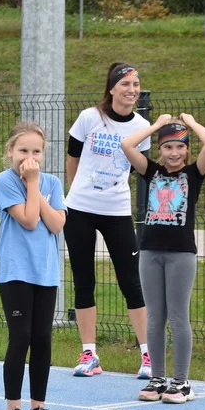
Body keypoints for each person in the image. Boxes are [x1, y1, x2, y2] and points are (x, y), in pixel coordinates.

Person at [121, 114, 205, 403]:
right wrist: (154, 126)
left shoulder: (193, 175)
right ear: (159, 150)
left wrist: (191, 122)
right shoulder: (150, 172)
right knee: (154, 317)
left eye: (180, 147)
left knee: (178, 317)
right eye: (167, 147)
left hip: (181, 254)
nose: (174, 153)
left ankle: (182, 382)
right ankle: (157, 379)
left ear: (187, 150)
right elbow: (127, 144)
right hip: (150, 252)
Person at [65, 62, 152, 378]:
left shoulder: (142, 127)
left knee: (131, 281)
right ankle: (89, 354)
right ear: (112, 88)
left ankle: (147, 356)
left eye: (136, 85)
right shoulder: (90, 118)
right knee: (84, 280)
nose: (131, 90)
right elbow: (72, 158)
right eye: (126, 84)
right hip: (80, 211)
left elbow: (140, 169)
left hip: (117, 212)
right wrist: (74, 195)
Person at [0, 122, 67, 410]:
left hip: (45, 272)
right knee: (21, 337)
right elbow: (27, 220)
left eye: (36, 151)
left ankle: (38, 407)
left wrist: (38, 184)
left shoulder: (53, 182)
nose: (30, 156)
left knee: (42, 340)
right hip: (16, 272)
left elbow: (56, 224)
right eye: (23, 150)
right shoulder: (6, 181)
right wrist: (32, 184)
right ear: (11, 151)